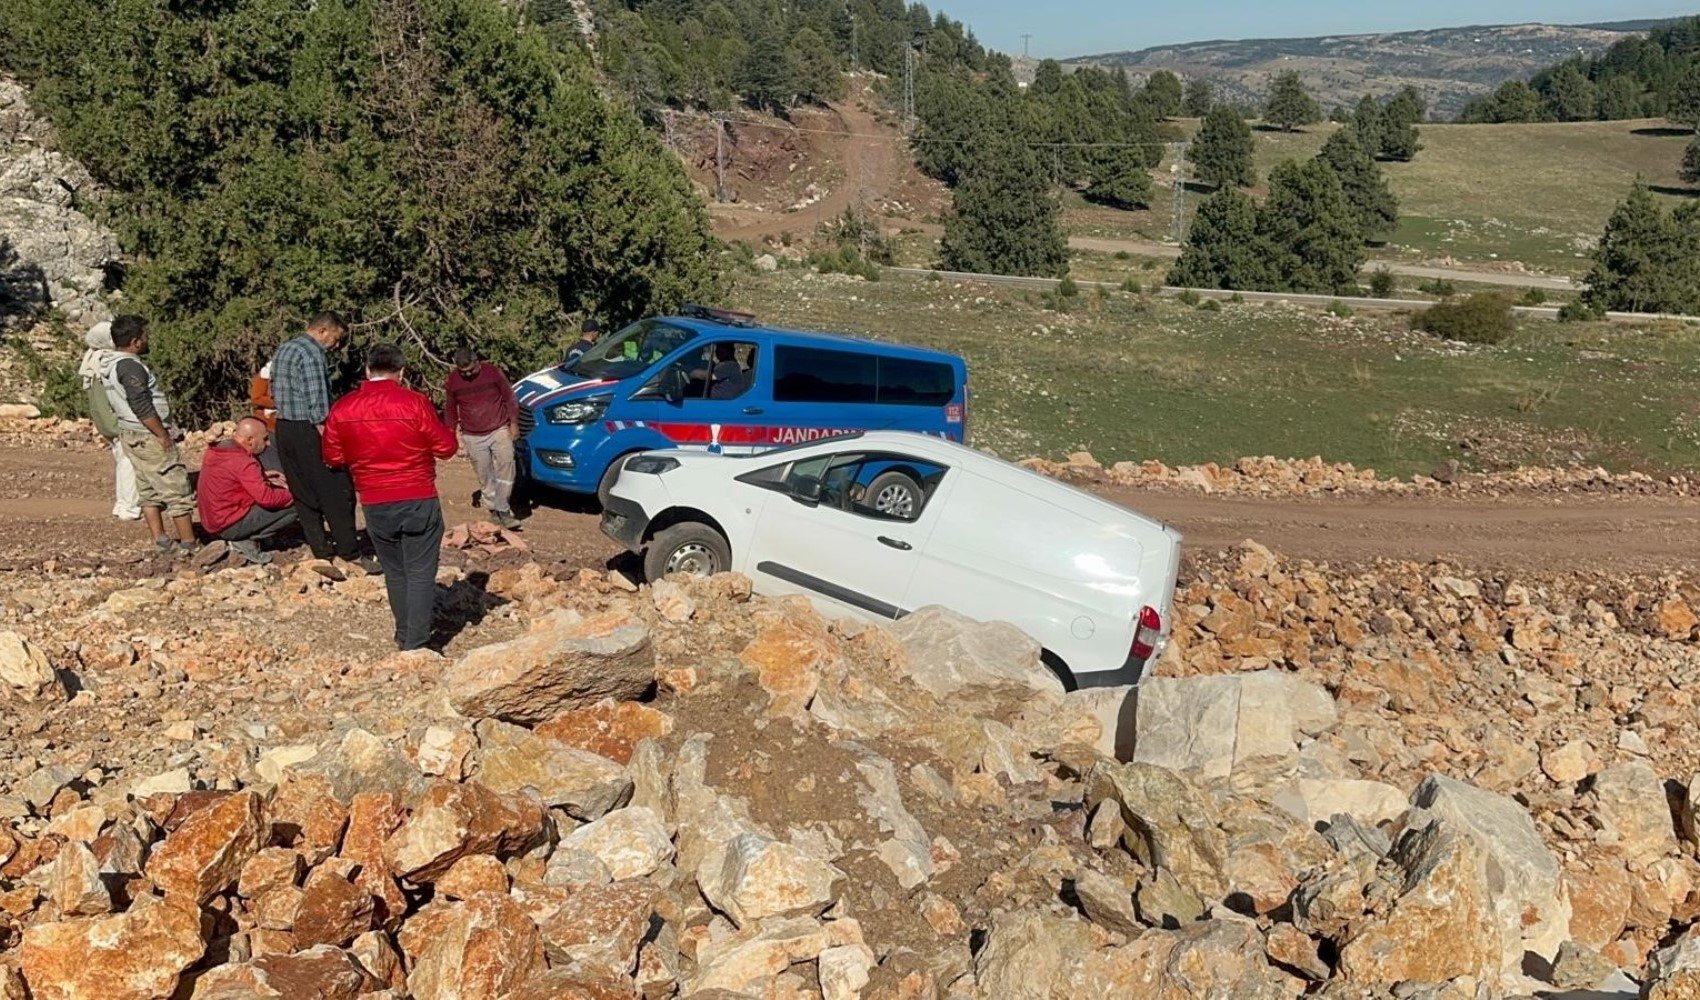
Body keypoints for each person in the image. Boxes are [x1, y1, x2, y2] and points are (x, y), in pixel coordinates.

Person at [322, 343, 457, 651]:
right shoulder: (415, 403)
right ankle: (417, 641)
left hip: (375, 499)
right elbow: (446, 448)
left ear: (368, 371)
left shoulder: (344, 408)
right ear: (402, 372)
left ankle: (405, 633)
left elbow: (332, 455)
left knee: (396, 572)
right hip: (417, 494)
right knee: (421, 572)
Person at [271, 312, 365, 566]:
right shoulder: (312, 354)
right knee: (336, 489)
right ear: (323, 330)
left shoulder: (285, 348)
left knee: (302, 490)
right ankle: (348, 550)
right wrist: (332, 441)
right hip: (308, 429)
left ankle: (320, 549)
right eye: (336, 338)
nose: (336, 345)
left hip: (284, 427)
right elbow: (318, 404)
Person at [99, 315, 197, 554]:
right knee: (175, 486)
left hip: (130, 432)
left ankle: (161, 539)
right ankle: (189, 543)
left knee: (147, 487)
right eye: (145, 335)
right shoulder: (130, 366)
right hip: (146, 433)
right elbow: (141, 403)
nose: (148, 338)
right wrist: (162, 434)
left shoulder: (109, 363)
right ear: (135, 342)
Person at [197, 417, 297, 565]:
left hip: (213, 520)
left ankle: (248, 534)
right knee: (298, 505)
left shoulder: (217, 451)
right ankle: (245, 539)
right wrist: (294, 493)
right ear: (250, 440)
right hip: (228, 524)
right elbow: (267, 498)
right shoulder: (243, 461)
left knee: (276, 493)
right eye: (264, 439)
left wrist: (263, 478)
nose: (268, 443)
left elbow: (231, 480)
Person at [444, 347, 520, 530]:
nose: (468, 374)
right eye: (464, 372)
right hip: (472, 434)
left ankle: (503, 509)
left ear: (477, 362)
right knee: (484, 474)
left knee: (507, 465)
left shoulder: (493, 373)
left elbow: (510, 398)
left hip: (498, 428)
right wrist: (451, 432)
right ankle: (493, 508)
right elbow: (450, 408)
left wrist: (514, 423)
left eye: (471, 369)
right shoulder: (453, 381)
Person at [77, 321, 140, 522]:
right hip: (118, 421)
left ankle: (122, 503)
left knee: (122, 461)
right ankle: (129, 507)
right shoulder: (108, 362)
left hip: (106, 422)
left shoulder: (92, 361)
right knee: (129, 462)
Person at [247, 362, 283, 473]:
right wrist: (278, 402)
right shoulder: (264, 377)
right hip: (267, 424)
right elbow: (256, 398)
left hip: (282, 424)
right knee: (271, 460)